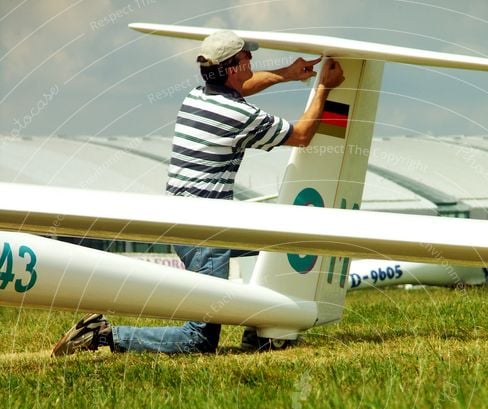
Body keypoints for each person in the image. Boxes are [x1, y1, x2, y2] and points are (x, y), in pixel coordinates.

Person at [52, 30, 345, 357]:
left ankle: (260, 325)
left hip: (181, 220)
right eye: (246, 55)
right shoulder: (240, 116)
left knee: (213, 309)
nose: (251, 58)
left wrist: (288, 74)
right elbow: (302, 135)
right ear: (233, 67)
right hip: (205, 229)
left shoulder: (196, 97)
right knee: (198, 340)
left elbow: (242, 87)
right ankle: (102, 337)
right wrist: (324, 87)